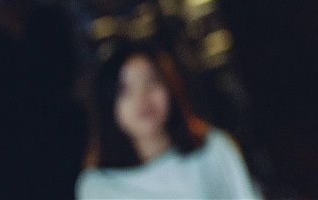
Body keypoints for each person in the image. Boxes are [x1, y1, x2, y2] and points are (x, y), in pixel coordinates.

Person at [76, 42, 262, 200]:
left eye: (151, 81)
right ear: (107, 105)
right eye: (124, 90)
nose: (142, 98)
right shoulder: (98, 185)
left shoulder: (213, 147)